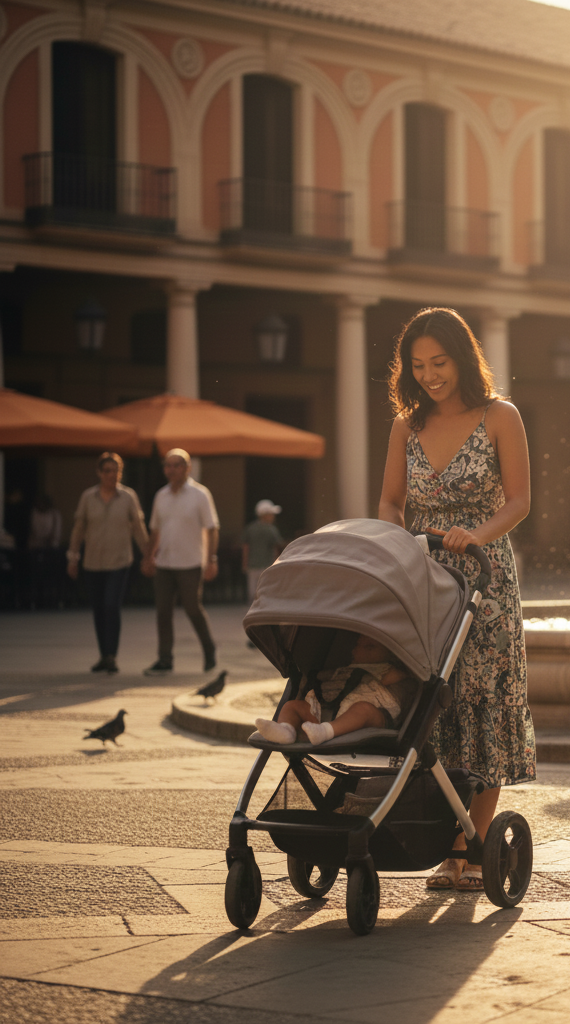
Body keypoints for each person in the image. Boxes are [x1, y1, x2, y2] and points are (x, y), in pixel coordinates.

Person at [378, 306, 534, 892]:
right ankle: (447, 843)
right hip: (424, 571)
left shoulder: (501, 415)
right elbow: (390, 501)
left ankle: (473, 845)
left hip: (483, 574)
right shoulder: (405, 426)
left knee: (482, 702)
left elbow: (518, 501)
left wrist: (479, 534)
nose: (429, 375)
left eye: (439, 362)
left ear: (462, 358)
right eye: (418, 365)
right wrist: (397, 539)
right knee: (433, 701)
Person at [255, 632, 416, 744]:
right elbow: (326, 682)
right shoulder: (346, 669)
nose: (358, 649)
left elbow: (403, 678)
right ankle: (286, 730)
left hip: (369, 720)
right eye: (358, 645)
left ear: (391, 654)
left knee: (363, 710)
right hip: (327, 713)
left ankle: (325, 732)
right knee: (293, 706)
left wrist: (401, 671)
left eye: (370, 647)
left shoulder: (387, 669)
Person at [67, 453, 149, 673]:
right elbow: (78, 528)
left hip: (119, 561)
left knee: (111, 606)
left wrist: (148, 554)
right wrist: (72, 556)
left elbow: (138, 529)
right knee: (98, 610)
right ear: (99, 473)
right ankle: (103, 655)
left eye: (116, 471)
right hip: (92, 562)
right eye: (107, 471)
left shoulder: (128, 497)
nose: (112, 475)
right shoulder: (88, 497)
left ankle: (112, 656)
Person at [141, 448, 219, 674]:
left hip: (191, 563)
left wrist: (211, 559)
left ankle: (209, 649)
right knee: (163, 612)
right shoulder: (161, 496)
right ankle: (165, 659)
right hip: (165, 563)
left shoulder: (200, 494)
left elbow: (212, 528)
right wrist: (148, 557)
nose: (171, 469)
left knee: (193, 608)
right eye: (168, 465)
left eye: (176, 465)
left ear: (187, 468)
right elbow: (155, 530)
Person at [241, 499, 284, 602]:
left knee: (253, 593)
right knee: (266, 591)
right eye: (271, 514)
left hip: (252, 565)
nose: (273, 517)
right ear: (265, 515)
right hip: (267, 565)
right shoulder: (271, 530)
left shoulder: (250, 528)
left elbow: (246, 547)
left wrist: (245, 563)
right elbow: (276, 547)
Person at [27, 493, 63, 608]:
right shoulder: (33, 513)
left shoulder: (54, 514)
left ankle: (52, 600)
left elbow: (56, 533)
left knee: (50, 575)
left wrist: (49, 542)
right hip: (35, 548)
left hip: (51, 550)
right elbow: (32, 532)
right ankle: (35, 599)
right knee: (35, 575)